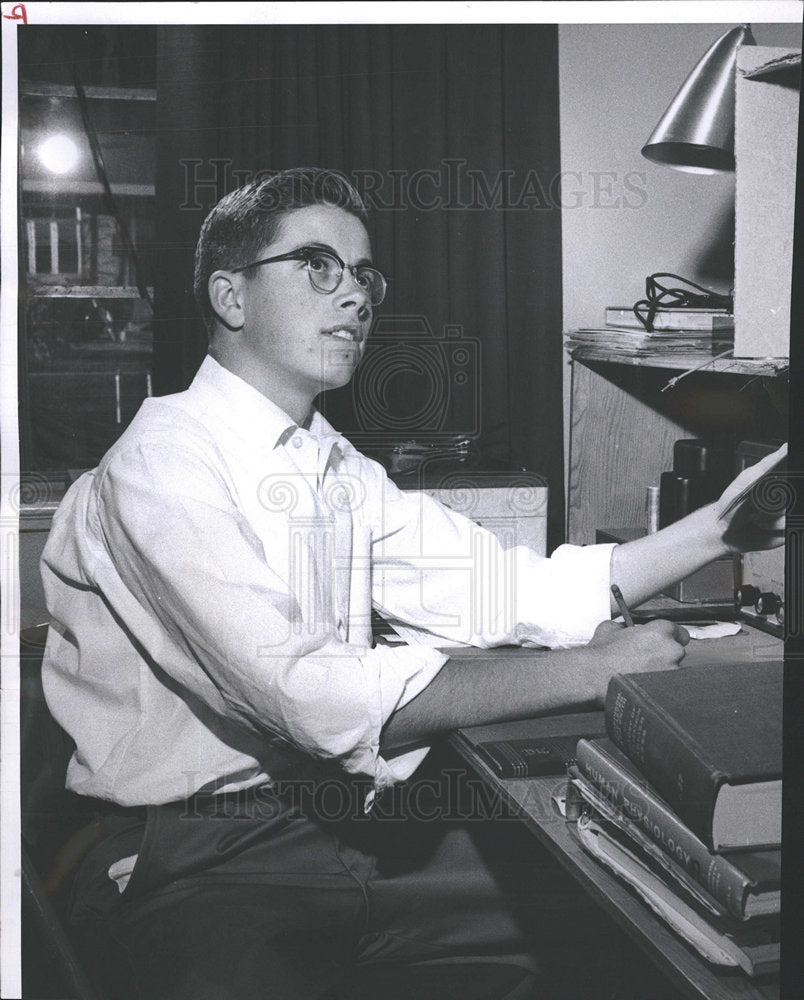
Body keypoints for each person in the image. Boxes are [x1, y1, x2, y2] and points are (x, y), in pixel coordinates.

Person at [40, 167, 785, 1000]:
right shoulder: (159, 464)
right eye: (318, 265)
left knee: (621, 930)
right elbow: (307, 697)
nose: (354, 295)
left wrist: (717, 529)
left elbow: (506, 589)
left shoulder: (330, 463)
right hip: (191, 856)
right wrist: (589, 671)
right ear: (231, 295)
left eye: (365, 275)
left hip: (337, 821)